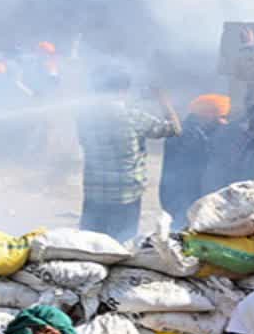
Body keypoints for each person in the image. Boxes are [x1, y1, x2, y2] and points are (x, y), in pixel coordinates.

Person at [76, 69, 181, 241]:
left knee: (89, 243)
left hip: (94, 191)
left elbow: (84, 142)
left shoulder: (84, 117)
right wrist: (163, 101)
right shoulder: (133, 116)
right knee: (121, 244)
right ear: (123, 90)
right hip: (125, 194)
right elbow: (174, 129)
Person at [160, 94, 230, 228]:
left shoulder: (196, 130)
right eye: (220, 117)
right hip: (183, 197)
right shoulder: (187, 134)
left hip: (190, 196)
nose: (223, 121)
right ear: (207, 115)